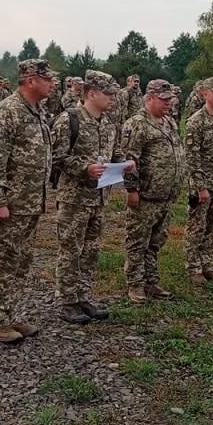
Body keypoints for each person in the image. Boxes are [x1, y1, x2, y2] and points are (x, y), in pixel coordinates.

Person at [52, 70, 134, 323]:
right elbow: (56, 157)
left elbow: (115, 152)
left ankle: (83, 296)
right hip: (74, 198)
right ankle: (67, 301)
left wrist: (125, 163)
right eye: (108, 94)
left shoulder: (108, 123)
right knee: (71, 250)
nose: (113, 99)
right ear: (92, 93)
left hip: (99, 198)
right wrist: (84, 168)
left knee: (90, 250)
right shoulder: (69, 120)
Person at [0, 59, 53, 343]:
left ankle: (12, 314)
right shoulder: (8, 111)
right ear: (32, 80)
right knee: (4, 261)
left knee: (22, 261)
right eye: (48, 79)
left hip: (30, 202)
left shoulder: (36, 110)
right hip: (11, 204)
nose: (52, 84)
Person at [121, 79, 185, 303]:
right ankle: (135, 284)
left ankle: (151, 280)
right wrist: (132, 189)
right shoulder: (137, 123)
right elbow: (129, 159)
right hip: (146, 195)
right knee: (138, 241)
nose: (169, 104)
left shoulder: (168, 122)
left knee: (156, 241)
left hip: (165, 194)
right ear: (149, 98)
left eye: (170, 100)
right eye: (164, 99)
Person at [184, 76, 213, 284]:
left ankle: (206, 263)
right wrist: (200, 187)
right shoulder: (196, 121)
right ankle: (193, 266)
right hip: (203, 186)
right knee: (197, 226)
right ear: (205, 94)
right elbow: (192, 157)